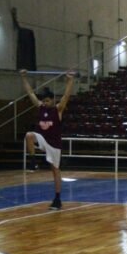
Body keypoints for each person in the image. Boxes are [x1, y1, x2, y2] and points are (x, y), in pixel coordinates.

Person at [20, 70, 75, 210]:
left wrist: (70, 80)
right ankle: (33, 162)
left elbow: (67, 95)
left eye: (47, 101)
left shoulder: (58, 109)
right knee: (29, 135)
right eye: (43, 101)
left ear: (52, 100)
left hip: (54, 145)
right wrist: (23, 77)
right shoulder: (40, 108)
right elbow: (31, 93)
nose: (45, 103)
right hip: (43, 139)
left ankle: (57, 198)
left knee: (55, 171)